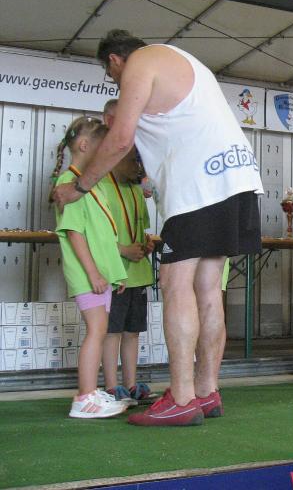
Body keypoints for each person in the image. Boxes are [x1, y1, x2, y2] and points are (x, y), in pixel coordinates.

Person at [52, 30, 263, 426]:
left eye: (111, 76)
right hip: (237, 177)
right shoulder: (183, 62)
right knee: (208, 288)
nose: (116, 83)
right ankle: (206, 391)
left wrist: (78, 188)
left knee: (175, 283)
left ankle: (181, 397)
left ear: (115, 61)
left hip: (198, 186)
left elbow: (120, 140)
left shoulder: (140, 63)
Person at [51, 116, 128, 419]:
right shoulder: (68, 184)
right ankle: (85, 397)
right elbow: (75, 232)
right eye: (101, 146)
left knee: (100, 330)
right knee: (96, 331)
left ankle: (90, 391)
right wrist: (94, 273)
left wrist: (115, 272)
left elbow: (102, 233)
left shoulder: (92, 184)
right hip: (88, 274)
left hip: (100, 274)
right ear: (84, 145)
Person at [97, 143, 156, 405]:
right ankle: (112, 386)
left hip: (138, 273)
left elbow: (142, 229)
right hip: (115, 273)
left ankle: (131, 385)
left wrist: (147, 244)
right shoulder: (101, 187)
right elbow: (96, 235)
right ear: (118, 158)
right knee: (112, 331)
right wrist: (122, 250)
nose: (139, 169)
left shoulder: (136, 190)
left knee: (133, 331)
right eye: (134, 162)